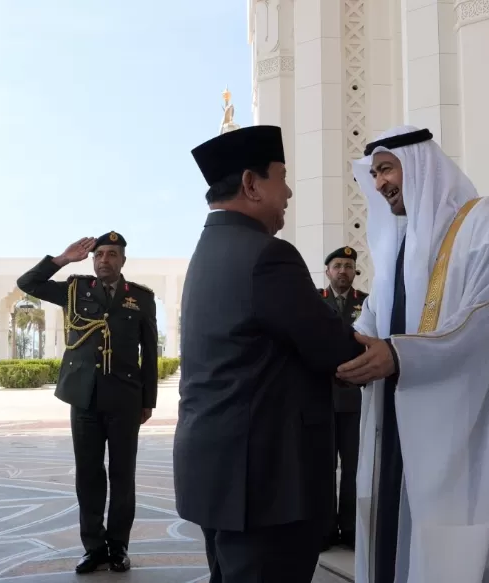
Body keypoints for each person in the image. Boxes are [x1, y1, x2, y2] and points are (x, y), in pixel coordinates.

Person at [336, 126, 489, 582]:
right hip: (395, 413)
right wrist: (339, 354)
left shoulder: (480, 221)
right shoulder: (398, 244)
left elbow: (482, 319)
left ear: (421, 165)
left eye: (387, 169)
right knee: (392, 533)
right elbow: (370, 318)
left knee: (451, 545)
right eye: (374, 173)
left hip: (455, 421)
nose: (380, 183)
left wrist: (400, 357)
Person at [173, 125, 369, 583]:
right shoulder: (268, 255)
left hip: (222, 472)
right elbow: (332, 346)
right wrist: (396, 350)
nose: (289, 191)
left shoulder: (209, 249)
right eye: (281, 176)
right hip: (265, 481)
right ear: (250, 184)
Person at [17, 232, 159, 574]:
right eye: (99, 255)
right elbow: (28, 283)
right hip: (84, 398)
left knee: (123, 476)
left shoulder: (139, 298)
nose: (104, 260)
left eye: (111, 254)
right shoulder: (75, 290)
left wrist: (147, 400)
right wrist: (63, 259)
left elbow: (150, 352)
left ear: (123, 260)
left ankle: (118, 547)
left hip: (125, 399)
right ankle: (93, 547)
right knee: (89, 475)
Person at [319, 246, 369, 551]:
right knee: (323, 466)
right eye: (337, 265)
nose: (343, 271)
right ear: (328, 271)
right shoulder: (314, 301)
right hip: (321, 396)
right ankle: (324, 529)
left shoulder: (366, 303)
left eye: (348, 266)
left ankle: (350, 528)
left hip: (354, 397)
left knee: (353, 466)